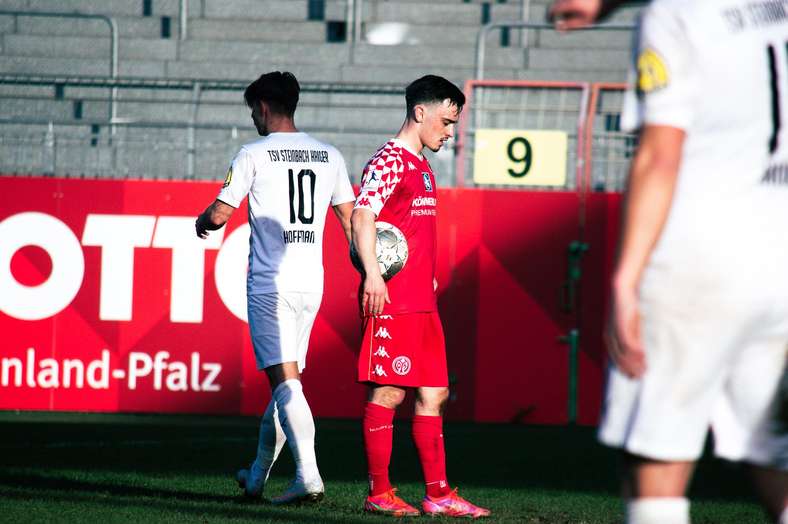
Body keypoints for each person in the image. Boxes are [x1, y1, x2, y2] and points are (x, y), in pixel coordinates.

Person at [549, 1, 788, 523]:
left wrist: (625, 281)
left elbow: (660, 155)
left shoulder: (673, 15)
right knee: (773, 452)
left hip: (699, 259)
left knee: (656, 457)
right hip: (779, 258)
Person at [195, 71, 355, 504]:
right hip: (311, 286)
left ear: (264, 107)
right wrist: (369, 270)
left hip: (271, 286)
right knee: (286, 386)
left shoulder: (253, 153)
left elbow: (219, 215)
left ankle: (309, 476)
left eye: (253, 110)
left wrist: (201, 221)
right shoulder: (330, 155)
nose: (253, 118)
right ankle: (257, 476)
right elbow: (350, 219)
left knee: (286, 385)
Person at [350, 74, 490, 518]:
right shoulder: (389, 160)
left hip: (422, 301)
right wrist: (374, 276)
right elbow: (362, 216)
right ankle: (379, 493)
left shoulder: (421, 165)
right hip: (392, 301)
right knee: (389, 393)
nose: (450, 133)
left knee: (435, 393)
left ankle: (439, 494)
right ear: (420, 112)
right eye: (446, 122)